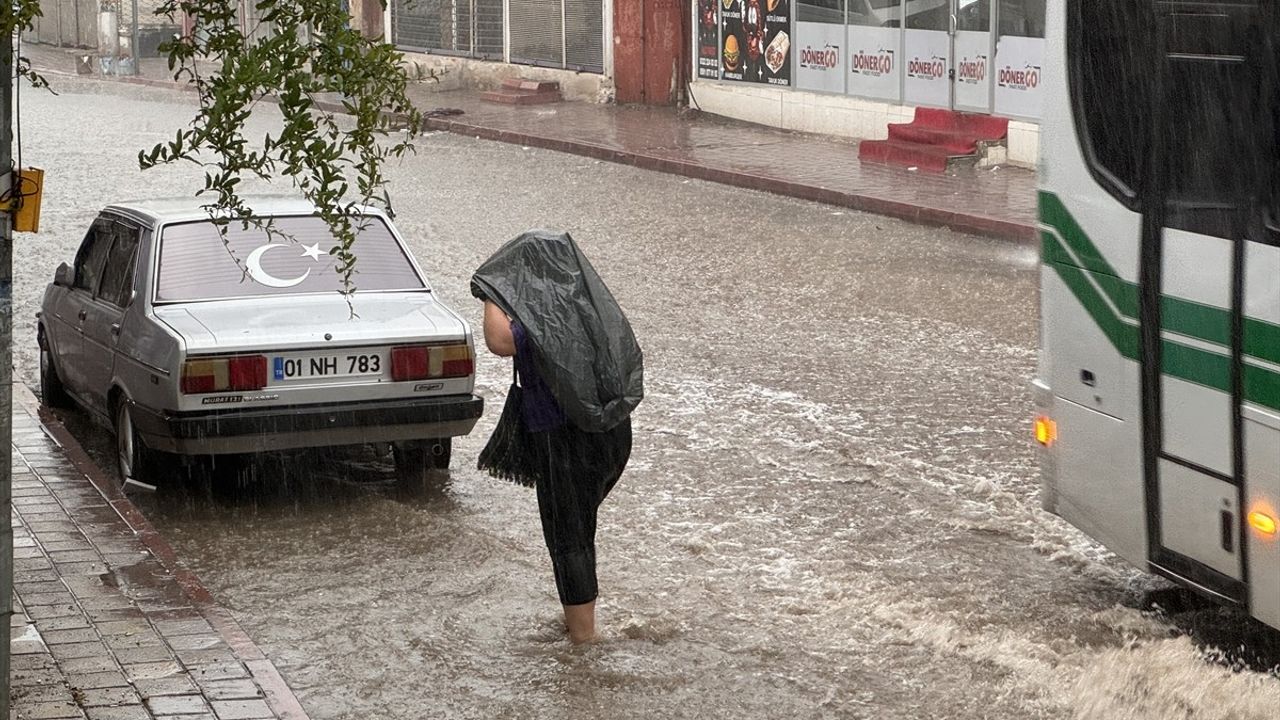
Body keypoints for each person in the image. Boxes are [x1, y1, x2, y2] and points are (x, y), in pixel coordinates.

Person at [471, 230, 642, 644]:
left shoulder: (536, 319)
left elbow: (499, 341)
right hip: (613, 436)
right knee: (580, 528)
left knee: (568, 537)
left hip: (563, 440)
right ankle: (579, 621)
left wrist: (497, 290)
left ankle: (584, 645)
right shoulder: (591, 307)